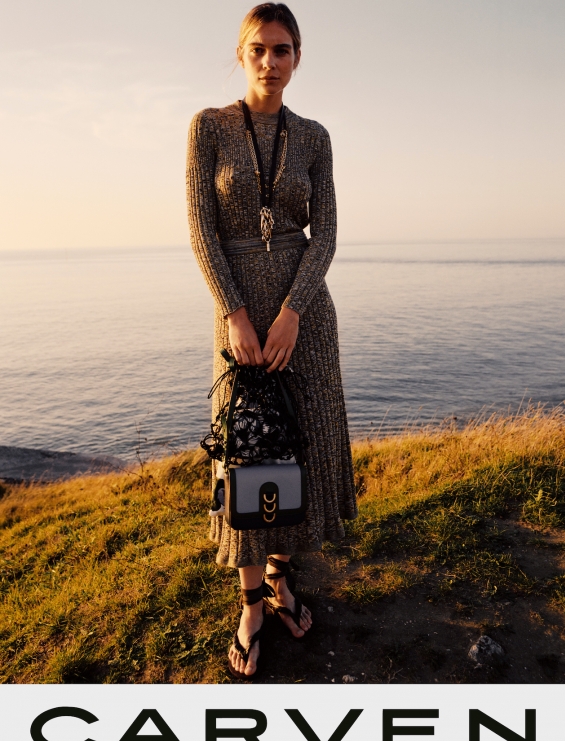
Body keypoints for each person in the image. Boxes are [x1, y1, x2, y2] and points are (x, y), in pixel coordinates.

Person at [186, 2, 357, 679]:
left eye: (282, 50)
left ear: (297, 57)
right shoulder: (208, 127)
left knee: (302, 450)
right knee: (248, 452)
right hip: (237, 316)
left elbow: (329, 234)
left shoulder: (314, 137)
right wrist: (235, 314)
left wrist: (291, 312)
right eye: (258, 49)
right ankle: (251, 602)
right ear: (241, 53)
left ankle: (285, 579)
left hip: (303, 317)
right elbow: (201, 229)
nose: (270, 62)